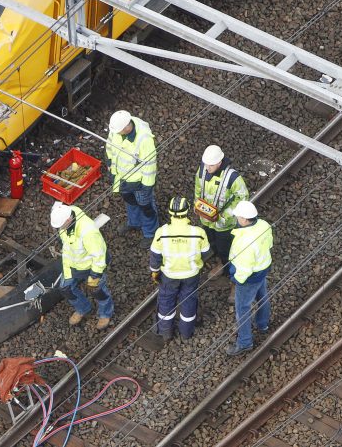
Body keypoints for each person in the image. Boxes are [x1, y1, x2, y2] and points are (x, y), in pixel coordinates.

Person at [150, 196, 210, 340]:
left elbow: (155, 257)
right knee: (189, 302)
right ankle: (186, 333)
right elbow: (206, 253)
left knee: (165, 302)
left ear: (170, 213)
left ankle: (165, 333)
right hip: (191, 275)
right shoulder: (198, 233)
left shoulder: (161, 233)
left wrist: (154, 272)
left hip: (169, 276)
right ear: (187, 212)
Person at [52, 201, 113, 329]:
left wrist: (95, 274)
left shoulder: (88, 232)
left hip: (91, 267)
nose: (59, 229)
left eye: (61, 225)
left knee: (98, 291)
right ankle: (83, 308)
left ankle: (105, 314)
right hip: (72, 264)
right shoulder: (64, 218)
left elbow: (99, 255)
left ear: (69, 219)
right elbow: (68, 248)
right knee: (66, 288)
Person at [226, 201, 273, 356]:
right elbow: (270, 244)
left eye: (238, 217)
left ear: (245, 220)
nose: (237, 219)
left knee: (243, 308)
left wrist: (237, 279)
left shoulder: (244, 241)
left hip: (249, 276)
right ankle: (263, 324)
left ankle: (245, 342)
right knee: (262, 296)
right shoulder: (264, 224)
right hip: (263, 268)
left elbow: (244, 268)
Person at [193, 144, 250, 267]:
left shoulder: (232, 177)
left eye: (211, 165)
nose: (207, 168)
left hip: (223, 224)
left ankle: (225, 267)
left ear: (219, 162)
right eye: (206, 164)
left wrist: (225, 216)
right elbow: (198, 187)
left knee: (224, 248)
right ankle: (215, 253)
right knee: (211, 240)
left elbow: (243, 198)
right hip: (206, 218)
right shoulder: (203, 169)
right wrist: (196, 202)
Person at [106, 110, 158, 238]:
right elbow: (109, 147)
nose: (115, 133)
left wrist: (147, 187)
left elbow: (149, 166)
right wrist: (109, 163)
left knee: (146, 207)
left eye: (118, 131)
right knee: (131, 202)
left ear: (126, 127)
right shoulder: (116, 130)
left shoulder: (144, 139)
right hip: (121, 179)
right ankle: (134, 223)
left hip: (139, 183)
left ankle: (150, 234)